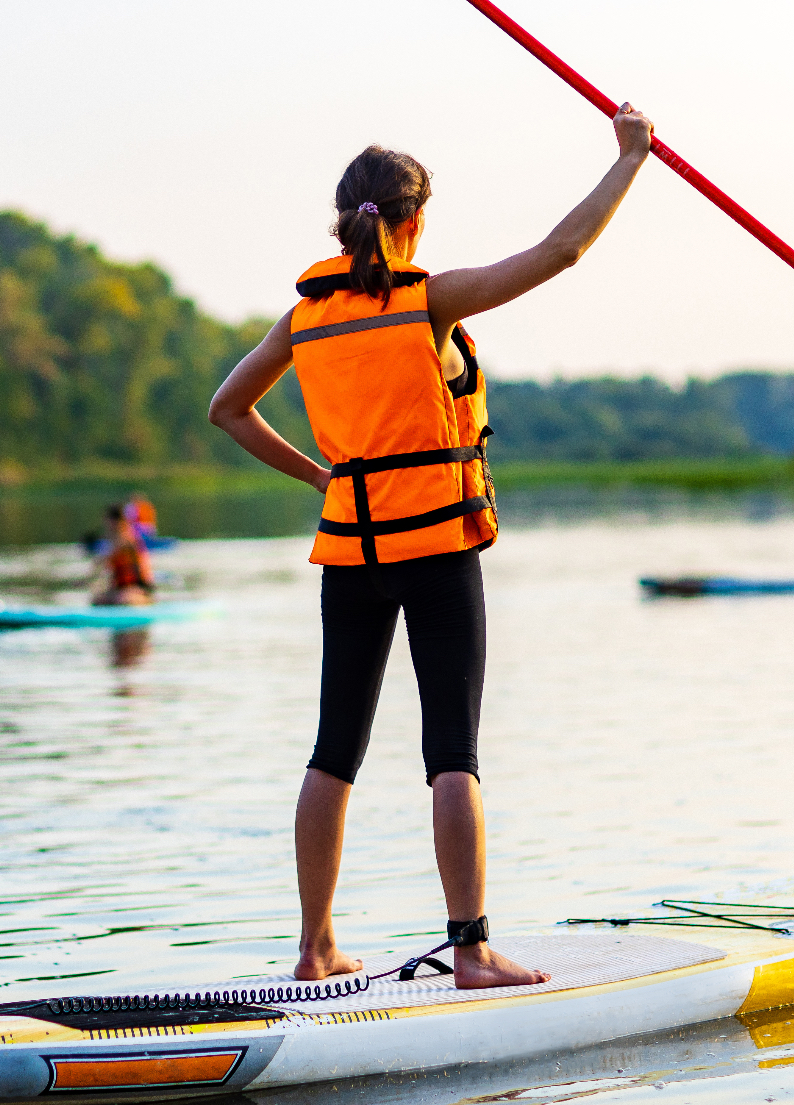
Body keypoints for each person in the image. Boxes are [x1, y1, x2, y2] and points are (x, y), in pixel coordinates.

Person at [208, 105, 653, 990]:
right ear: (412, 223)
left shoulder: (303, 318)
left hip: (350, 555)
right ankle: (473, 949)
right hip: (438, 547)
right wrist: (630, 158)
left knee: (334, 748)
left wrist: (323, 481)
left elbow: (228, 408)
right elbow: (560, 252)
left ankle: (315, 946)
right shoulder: (428, 301)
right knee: (453, 750)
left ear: (345, 221)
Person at [91, 504, 155, 606]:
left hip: (137, 588)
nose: (106, 525)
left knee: (123, 600)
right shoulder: (111, 542)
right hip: (120, 588)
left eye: (108, 521)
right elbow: (100, 567)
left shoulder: (128, 540)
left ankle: (143, 601)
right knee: (97, 600)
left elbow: (108, 557)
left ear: (117, 522)